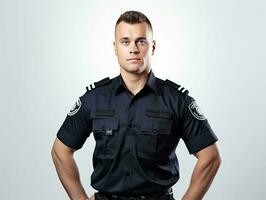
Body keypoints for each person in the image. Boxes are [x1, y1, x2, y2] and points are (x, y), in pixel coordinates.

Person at [51, 10, 221, 200]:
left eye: (141, 41)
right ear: (116, 48)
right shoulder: (94, 98)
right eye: (125, 42)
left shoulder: (177, 100)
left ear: (153, 46)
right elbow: (60, 151)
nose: (133, 49)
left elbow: (210, 157)